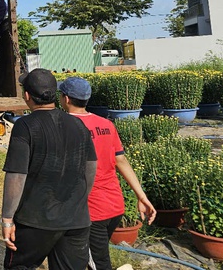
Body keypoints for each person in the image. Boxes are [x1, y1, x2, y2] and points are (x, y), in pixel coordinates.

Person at [1, 68, 97, 270]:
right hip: (76, 220)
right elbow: (90, 168)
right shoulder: (79, 125)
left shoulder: (25, 126)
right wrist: (78, 200)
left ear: (27, 96)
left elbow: (16, 176)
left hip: (35, 221)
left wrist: (7, 218)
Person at [58, 76, 157, 270]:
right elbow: (121, 161)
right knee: (92, 257)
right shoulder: (106, 124)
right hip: (114, 206)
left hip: (90, 210)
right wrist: (141, 196)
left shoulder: (63, 126)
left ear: (66, 99)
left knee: (98, 262)